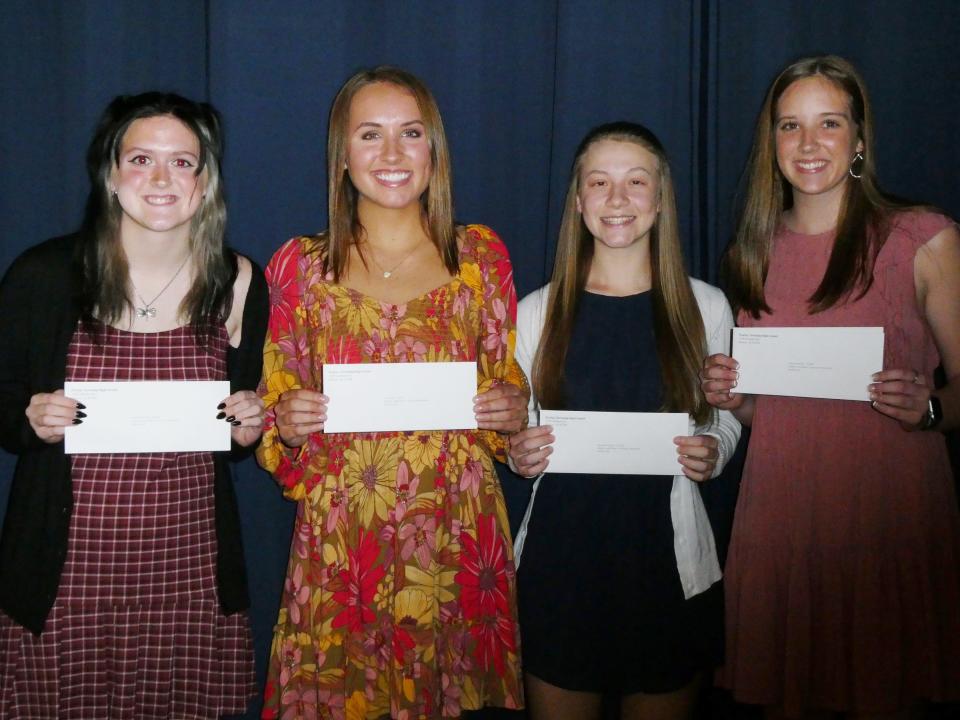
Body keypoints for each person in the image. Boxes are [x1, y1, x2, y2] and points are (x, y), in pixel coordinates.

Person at [256, 66, 527, 719]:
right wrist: (287, 422)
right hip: (343, 543)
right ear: (341, 156)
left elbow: (506, 388)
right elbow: (274, 409)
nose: (393, 154)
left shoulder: (480, 257)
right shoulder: (300, 266)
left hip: (452, 535)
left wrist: (511, 410)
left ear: (434, 148)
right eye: (370, 135)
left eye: (411, 133)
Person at [701, 55, 960, 719]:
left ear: (860, 139)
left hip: (885, 517)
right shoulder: (750, 251)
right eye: (791, 126)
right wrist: (737, 399)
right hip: (783, 516)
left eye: (829, 123)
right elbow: (774, 413)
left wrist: (929, 409)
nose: (809, 144)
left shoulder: (921, 237)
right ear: (772, 142)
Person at [0, 92, 269, 718]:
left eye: (183, 162)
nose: (160, 178)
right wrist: (28, 419)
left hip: (187, 572)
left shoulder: (238, 282)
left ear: (205, 183)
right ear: (111, 174)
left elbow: (237, 428)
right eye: (141, 158)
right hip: (67, 576)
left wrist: (248, 426)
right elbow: (4, 404)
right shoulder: (45, 275)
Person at [507, 121, 741, 720]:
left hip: (665, 570)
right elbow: (516, 428)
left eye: (636, 182)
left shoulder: (705, 305)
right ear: (578, 201)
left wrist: (715, 446)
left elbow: (724, 416)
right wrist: (517, 451)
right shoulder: (536, 311)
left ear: (660, 199)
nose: (617, 200)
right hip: (560, 571)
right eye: (600, 182)